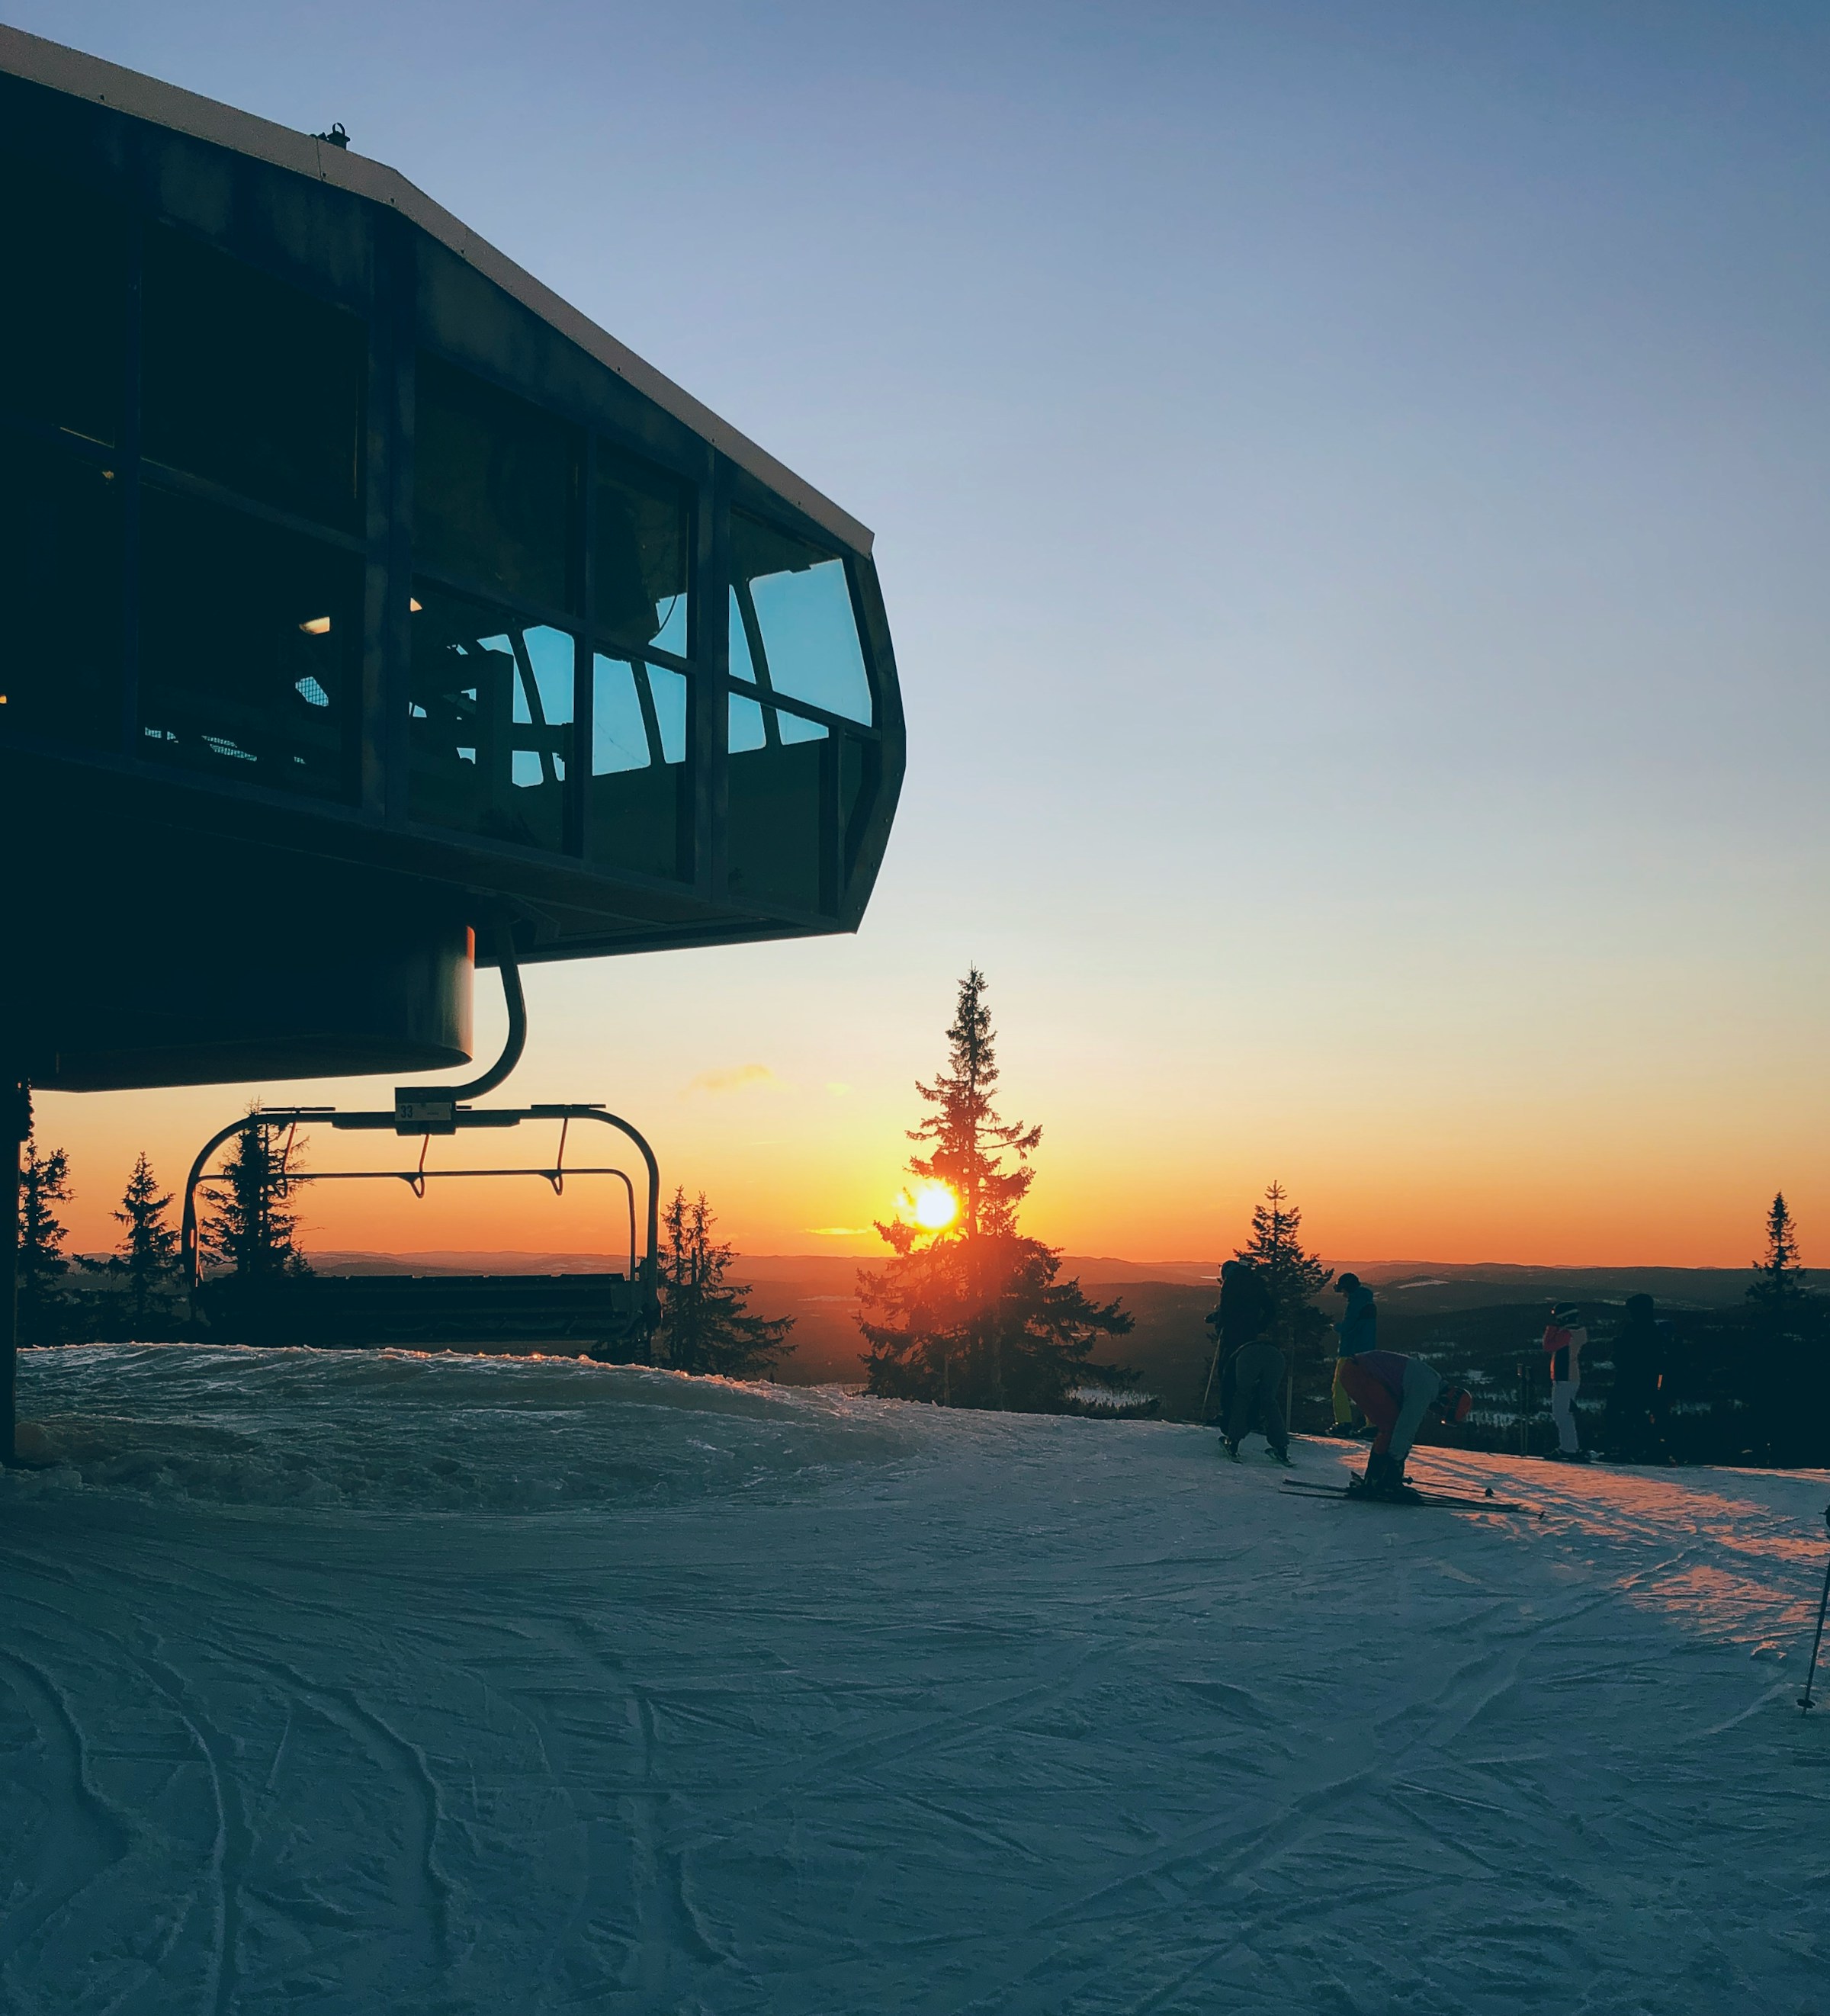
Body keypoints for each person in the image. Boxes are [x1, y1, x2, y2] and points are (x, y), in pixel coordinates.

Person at [1334, 1348, 1474, 1499]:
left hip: (1356, 1368)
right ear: (1446, 1402)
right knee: (1391, 1427)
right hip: (1359, 1373)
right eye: (1441, 1412)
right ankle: (1379, 1482)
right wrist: (1396, 1463)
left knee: (1390, 1425)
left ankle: (1375, 1479)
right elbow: (1406, 1429)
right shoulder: (1426, 1389)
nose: (1436, 1412)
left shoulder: (1430, 1381)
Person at [1206, 1260, 1287, 1464]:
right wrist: (1258, 1327)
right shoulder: (1256, 1282)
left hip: (1232, 1340)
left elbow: (1227, 1311)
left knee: (1231, 1384)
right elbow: (1270, 1309)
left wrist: (1219, 1324)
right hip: (1252, 1339)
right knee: (1266, 1394)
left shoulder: (1230, 1284)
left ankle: (1231, 1430)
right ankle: (1274, 1438)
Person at [1600, 1293, 1669, 1462]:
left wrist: (1618, 1350)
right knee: (1634, 1414)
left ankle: (1624, 1448)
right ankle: (1644, 1449)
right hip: (1645, 1380)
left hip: (1628, 1379)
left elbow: (1624, 1358)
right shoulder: (1654, 1330)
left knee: (1618, 1412)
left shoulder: (1633, 1329)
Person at [1329, 1273, 1377, 1436]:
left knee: (1339, 1388)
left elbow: (1349, 1326)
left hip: (1350, 1351)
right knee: (1364, 1389)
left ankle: (1343, 1423)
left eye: (1343, 1290)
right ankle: (1373, 1425)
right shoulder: (1367, 1301)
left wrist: (1335, 1327)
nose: (1343, 1294)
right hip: (1367, 1352)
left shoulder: (1355, 1303)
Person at [1543, 1302, 1588, 1461]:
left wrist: (1551, 1328)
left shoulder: (1567, 1334)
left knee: (1561, 1414)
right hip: (1570, 1376)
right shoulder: (1574, 1333)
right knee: (1565, 1414)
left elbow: (1548, 1346)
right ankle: (1570, 1447)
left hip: (1564, 1377)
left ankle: (1569, 1448)